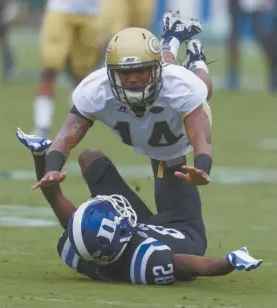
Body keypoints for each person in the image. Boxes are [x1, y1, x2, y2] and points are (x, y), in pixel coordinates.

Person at [32, 13, 213, 229]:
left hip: (173, 139)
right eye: (125, 73)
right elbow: (66, 136)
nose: (133, 79)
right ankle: (172, 38)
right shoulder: (96, 89)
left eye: (140, 71)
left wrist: (203, 167)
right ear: (110, 73)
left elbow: (200, 136)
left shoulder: (180, 87)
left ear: (156, 71)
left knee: (204, 88)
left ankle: (196, 58)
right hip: (150, 133)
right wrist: (52, 167)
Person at [16, 128, 262, 285]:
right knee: (166, 151)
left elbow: (55, 197)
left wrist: (40, 157)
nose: (117, 208)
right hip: (183, 228)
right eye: (116, 214)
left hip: (138, 230)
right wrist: (231, 260)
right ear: (122, 232)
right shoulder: (148, 260)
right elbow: (203, 266)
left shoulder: (79, 249)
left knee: (90, 158)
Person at [32, 0, 102, 138]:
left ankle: (77, 123)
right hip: (60, 9)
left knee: (81, 73)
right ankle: (42, 124)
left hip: (91, 11)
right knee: (50, 67)